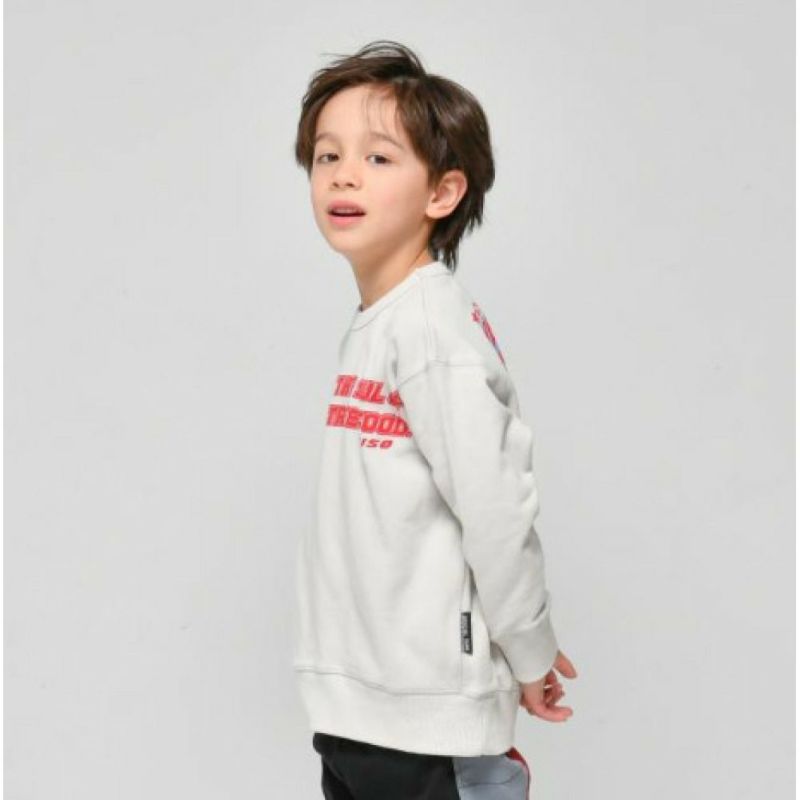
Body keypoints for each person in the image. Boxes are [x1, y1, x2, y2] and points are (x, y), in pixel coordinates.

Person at [291, 39, 578, 799]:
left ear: (443, 192)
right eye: (327, 156)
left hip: (429, 720)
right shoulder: (380, 322)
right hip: (358, 716)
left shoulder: (432, 332)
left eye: (379, 158)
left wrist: (528, 649)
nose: (343, 174)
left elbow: (495, 508)